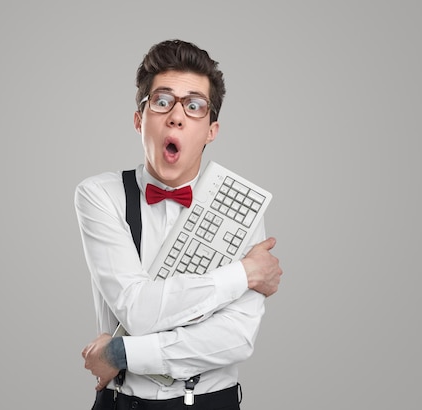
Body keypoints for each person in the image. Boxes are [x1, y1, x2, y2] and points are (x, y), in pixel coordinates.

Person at [75, 39, 283, 410]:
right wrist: (241, 275)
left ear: (211, 131)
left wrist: (122, 352)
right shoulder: (101, 195)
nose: (176, 115)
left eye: (194, 106)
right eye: (162, 101)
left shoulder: (243, 207)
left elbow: (235, 338)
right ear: (140, 120)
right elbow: (137, 309)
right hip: (125, 403)